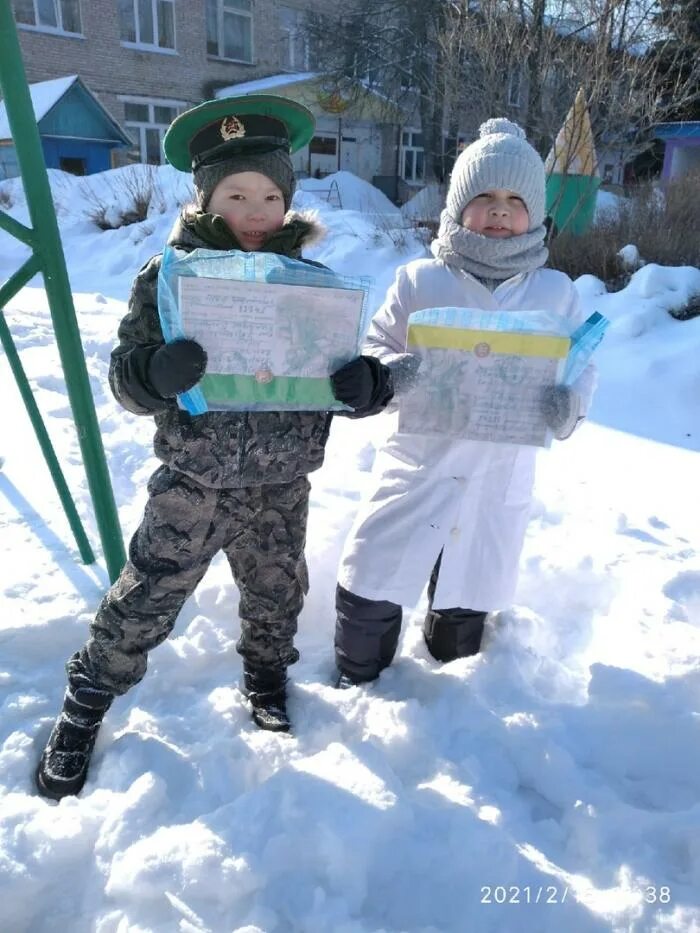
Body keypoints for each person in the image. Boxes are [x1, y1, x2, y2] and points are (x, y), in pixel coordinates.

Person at [36, 94, 393, 800]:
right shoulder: (167, 278)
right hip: (193, 484)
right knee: (145, 597)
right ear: (206, 199)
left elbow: (339, 375)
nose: (255, 210)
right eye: (236, 194)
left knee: (276, 591)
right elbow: (123, 378)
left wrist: (367, 386)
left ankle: (266, 675)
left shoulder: (315, 286)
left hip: (282, 483)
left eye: (268, 194)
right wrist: (155, 373)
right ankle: (83, 709)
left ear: (287, 202)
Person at [333, 118, 596, 687]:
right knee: (373, 577)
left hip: (497, 474)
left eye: (514, 199)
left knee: (465, 590)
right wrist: (388, 376)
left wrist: (567, 404)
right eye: (484, 197)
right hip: (418, 462)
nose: (499, 211)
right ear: (457, 206)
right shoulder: (419, 280)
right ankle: (357, 679)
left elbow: (580, 369)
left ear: (535, 212)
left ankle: (452, 695)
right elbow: (377, 347)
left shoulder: (555, 294)